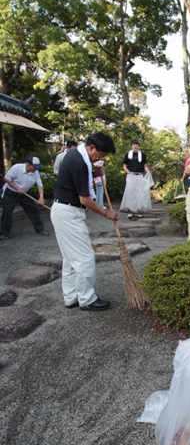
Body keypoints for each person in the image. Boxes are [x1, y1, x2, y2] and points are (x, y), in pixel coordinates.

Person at [50, 132, 118, 311]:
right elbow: (85, 199)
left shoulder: (75, 154)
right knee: (84, 257)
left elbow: (79, 180)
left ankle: (71, 297)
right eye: (101, 155)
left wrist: (96, 172)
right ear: (92, 147)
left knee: (70, 258)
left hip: (62, 210)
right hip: (69, 213)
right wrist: (106, 213)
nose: (100, 159)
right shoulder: (80, 163)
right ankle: (87, 299)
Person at [0, 156, 50, 240]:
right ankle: (4, 233)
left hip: (25, 194)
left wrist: (41, 197)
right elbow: (6, 179)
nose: (36, 169)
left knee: (33, 210)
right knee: (7, 212)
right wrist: (17, 188)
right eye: (35, 167)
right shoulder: (16, 168)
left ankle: (39, 229)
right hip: (11, 193)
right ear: (29, 165)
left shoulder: (35, 172)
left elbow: (39, 184)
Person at [121, 139, 152, 217]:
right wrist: (127, 170)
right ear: (131, 145)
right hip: (131, 176)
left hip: (140, 176)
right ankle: (130, 211)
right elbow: (124, 165)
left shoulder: (143, 155)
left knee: (139, 193)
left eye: (137, 144)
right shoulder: (128, 154)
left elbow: (144, 165)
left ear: (138, 146)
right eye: (134, 144)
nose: (135, 146)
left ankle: (138, 210)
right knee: (131, 193)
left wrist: (147, 170)